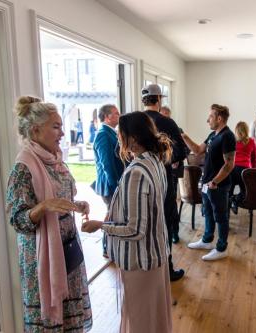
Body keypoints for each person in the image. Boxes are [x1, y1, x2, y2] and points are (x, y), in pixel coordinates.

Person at [6, 96, 92, 332]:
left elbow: (60, 199)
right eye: (56, 127)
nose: (63, 133)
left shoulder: (55, 161)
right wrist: (43, 207)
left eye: (61, 126)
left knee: (69, 316)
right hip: (42, 257)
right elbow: (17, 219)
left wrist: (77, 204)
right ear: (35, 130)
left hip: (67, 249)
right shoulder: (23, 167)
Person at [82, 111, 173, 333]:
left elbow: (135, 230)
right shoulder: (156, 161)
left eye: (121, 134)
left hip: (141, 259)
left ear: (132, 138)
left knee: (141, 321)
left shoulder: (137, 172)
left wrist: (100, 226)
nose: (118, 139)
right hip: (155, 253)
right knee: (152, 318)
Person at [142, 84, 187, 281]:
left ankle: (146, 267)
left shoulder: (133, 121)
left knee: (145, 222)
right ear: (158, 99)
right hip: (163, 180)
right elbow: (182, 151)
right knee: (165, 223)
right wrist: (168, 160)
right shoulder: (167, 123)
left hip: (141, 180)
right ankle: (166, 268)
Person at [182, 104, 236, 261]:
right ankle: (207, 240)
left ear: (219, 118)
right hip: (207, 183)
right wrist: (184, 137)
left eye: (210, 116)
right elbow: (198, 150)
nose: (208, 120)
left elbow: (229, 164)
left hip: (217, 184)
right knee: (208, 213)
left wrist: (215, 181)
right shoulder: (213, 134)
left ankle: (221, 248)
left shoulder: (227, 136)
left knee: (221, 216)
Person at [93, 104, 125, 256]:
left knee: (114, 216)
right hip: (109, 185)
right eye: (115, 113)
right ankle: (107, 248)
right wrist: (116, 185)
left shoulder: (112, 132)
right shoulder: (103, 134)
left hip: (114, 183)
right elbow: (106, 164)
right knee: (111, 218)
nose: (119, 114)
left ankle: (113, 247)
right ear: (106, 117)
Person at [159, 105, 189, 243]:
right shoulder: (154, 130)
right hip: (159, 171)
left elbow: (185, 150)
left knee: (171, 203)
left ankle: (174, 232)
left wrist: (176, 159)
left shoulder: (177, 129)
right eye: (163, 114)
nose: (165, 117)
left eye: (167, 114)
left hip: (173, 171)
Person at [230, 121, 256, 214]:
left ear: (236, 131)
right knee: (245, 193)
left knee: (228, 192)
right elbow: (254, 159)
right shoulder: (252, 141)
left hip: (232, 170)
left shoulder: (233, 141)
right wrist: (253, 172)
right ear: (247, 130)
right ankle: (235, 201)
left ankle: (227, 214)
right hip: (245, 171)